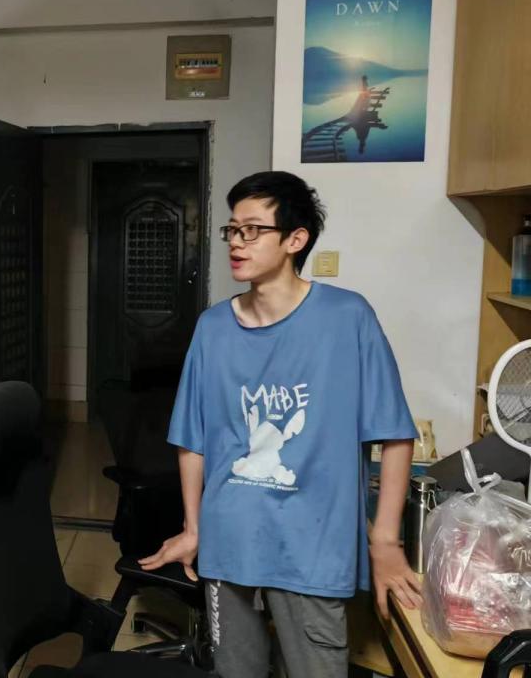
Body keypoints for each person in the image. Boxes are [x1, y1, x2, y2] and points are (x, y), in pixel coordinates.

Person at [140, 171, 420, 678]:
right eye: (232, 230)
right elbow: (192, 440)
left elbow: (396, 435)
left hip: (313, 548)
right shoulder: (212, 328)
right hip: (230, 541)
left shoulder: (347, 318)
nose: (236, 242)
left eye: (252, 230)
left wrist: (384, 542)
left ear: (295, 240)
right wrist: (194, 528)